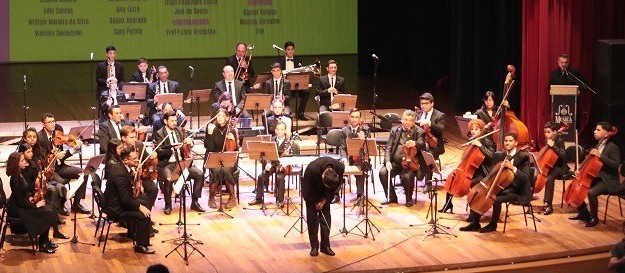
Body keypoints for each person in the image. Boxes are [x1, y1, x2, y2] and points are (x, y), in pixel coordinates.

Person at [460, 132, 531, 233]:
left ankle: (493, 225)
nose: (507, 143)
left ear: (516, 143)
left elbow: (526, 178)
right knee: (480, 193)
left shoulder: (523, 157)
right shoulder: (502, 155)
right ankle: (475, 223)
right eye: (506, 141)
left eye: (510, 141)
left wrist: (512, 167)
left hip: (517, 189)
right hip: (502, 185)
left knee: (495, 199)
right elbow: (493, 172)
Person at [5, 152, 59, 253]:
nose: (25, 162)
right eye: (22, 161)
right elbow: (20, 201)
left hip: (23, 204)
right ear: (16, 163)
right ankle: (42, 244)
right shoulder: (14, 178)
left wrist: (39, 179)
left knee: (50, 208)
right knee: (47, 212)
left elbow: (24, 191)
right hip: (18, 209)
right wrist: (35, 206)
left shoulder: (19, 174)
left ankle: (45, 240)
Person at [103, 147, 155, 254]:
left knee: (144, 201)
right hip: (116, 209)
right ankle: (141, 245)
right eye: (134, 159)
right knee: (144, 215)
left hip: (115, 203)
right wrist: (139, 207)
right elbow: (125, 199)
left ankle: (135, 234)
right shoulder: (121, 174)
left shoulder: (120, 167)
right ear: (126, 160)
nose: (137, 160)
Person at [569, 122, 621, 227]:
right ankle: (583, 213)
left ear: (606, 133)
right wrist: (580, 170)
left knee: (591, 193)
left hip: (608, 180)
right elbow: (591, 163)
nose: (594, 131)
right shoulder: (598, 145)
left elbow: (615, 164)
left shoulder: (612, 147)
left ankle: (594, 217)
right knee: (577, 188)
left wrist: (600, 156)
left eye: (598, 130)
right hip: (597, 177)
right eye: (595, 129)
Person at [37, 113, 91, 214]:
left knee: (84, 173)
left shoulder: (58, 132)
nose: (53, 124)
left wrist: (73, 149)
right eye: (49, 122)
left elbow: (62, 156)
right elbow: (41, 159)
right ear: (43, 124)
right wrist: (54, 156)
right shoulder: (40, 138)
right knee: (60, 182)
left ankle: (76, 204)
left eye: (53, 121)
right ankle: (61, 206)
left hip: (60, 166)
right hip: (49, 170)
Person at [153, 111, 205, 214]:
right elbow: (159, 152)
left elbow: (189, 144)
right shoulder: (159, 133)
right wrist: (173, 149)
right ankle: (168, 205)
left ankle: (195, 202)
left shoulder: (180, 131)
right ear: (165, 121)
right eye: (172, 121)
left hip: (182, 162)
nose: (174, 123)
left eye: (175, 120)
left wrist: (190, 142)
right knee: (168, 178)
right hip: (168, 164)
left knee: (200, 174)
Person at [439, 118, 495, 214]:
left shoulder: (486, 140)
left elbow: (491, 155)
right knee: (452, 179)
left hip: (482, 171)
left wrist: (480, 146)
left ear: (481, 130)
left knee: (471, 186)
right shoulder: (472, 140)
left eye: (476, 129)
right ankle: (448, 204)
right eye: (472, 129)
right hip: (469, 170)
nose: (473, 132)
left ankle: (473, 213)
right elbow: (465, 158)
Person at [379, 110, 427, 207]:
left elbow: (423, 145)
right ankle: (392, 197)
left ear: (414, 122)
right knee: (383, 172)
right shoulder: (395, 130)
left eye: (410, 120)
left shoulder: (419, 131)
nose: (407, 122)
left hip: (410, 165)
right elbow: (388, 147)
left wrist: (415, 143)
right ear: (401, 120)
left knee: (407, 176)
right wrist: (387, 161)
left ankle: (409, 198)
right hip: (395, 163)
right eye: (405, 120)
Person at [248, 121, 299, 207]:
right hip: (272, 164)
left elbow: (290, 158)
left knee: (280, 178)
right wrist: (268, 163)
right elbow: (268, 154)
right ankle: (259, 198)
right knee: (261, 176)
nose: (279, 131)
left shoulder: (289, 143)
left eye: (282, 129)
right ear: (275, 130)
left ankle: (280, 200)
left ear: (285, 131)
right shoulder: (272, 140)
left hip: (283, 166)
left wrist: (284, 161)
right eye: (278, 129)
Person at [302, 157, 344, 257]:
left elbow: (335, 187)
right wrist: (316, 202)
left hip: (327, 193)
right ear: (323, 175)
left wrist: (325, 200)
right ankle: (314, 247)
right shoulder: (312, 169)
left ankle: (325, 246)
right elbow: (308, 189)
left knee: (326, 218)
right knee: (313, 220)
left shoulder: (340, 167)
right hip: (311, 191)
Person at [19, 142, 66, 224]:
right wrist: (38, 182)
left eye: (31, 151)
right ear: (22, 154)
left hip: (37, 188)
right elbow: (25, 186)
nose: (31, 154)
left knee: (59, 190)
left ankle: (55, 217)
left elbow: (39, 175)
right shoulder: (21, 168)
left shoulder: (32, 163)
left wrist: (42, 176)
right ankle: (50, 219)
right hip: (30, 192)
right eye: (28, 152)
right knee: (53, 191)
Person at [204, 108, 239, 209]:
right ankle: (211, 198)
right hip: (214, 159)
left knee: (226, 170)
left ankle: (232, 197)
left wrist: (234, 141)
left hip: (228, 160)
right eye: (218, 115)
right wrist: (210, 135)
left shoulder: (231, 130)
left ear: (227, 118)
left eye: (222, 116)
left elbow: (236, 150)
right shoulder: (211, 129)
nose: (219, 118)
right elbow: (209, 149)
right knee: (216, 170)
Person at [120, 125, 159, 215]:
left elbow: (147, 158)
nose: (134, 140)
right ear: (123, 138)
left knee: (153, 189)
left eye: (135, 137)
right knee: (138, 195)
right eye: (132, 137)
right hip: (127, 179)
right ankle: (130, 217)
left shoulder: (139, 144)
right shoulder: (120, 149)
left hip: (139, 177)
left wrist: (152, 157)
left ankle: (146, 215)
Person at [338, 109, 370, 205]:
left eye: (356, 117)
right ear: (349, 117)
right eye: (352, 117)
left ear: (360, 119)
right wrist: (344, 158)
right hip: (348, 158)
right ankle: (335, 194)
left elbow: (368, 148)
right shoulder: (344, 130)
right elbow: (342, 147)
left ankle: (360, 195)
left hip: (360, 158)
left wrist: (363, 139)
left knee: (362, 167)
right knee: (337, 166)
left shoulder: (365, 130)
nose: (354, 119)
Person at [541, 121, 569, 215]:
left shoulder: (559, 141)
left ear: (554, 132)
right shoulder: (547, 141)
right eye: (545, 132)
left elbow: (563, 155)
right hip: (551, 165)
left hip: (560, 167)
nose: (546, 134)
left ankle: (549, 205)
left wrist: (554, 146)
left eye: (548, 132)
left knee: (549, 178)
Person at [277, 41, 309, 120]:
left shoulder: (298, 61)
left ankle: (300, 113)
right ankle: (287, 113)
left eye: (292, 49)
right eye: (288, 49)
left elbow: (301, 73)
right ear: (285, 50)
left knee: (306, 92)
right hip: (285, 87)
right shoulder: (280, 61)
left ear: (294, 50)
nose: (290, 51)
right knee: (284, 95)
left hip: (295, 86)